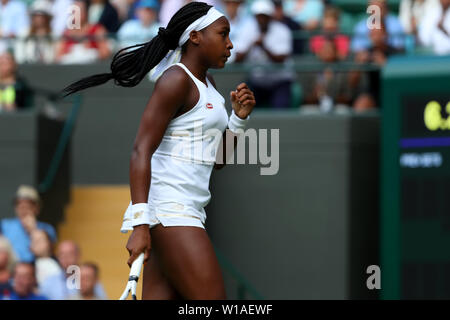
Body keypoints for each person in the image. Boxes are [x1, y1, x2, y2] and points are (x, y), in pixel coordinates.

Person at [62, 1, 255, 299]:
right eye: (223, 34)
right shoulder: (176, 79)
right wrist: (140, 223)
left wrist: (238, 119)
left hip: (183, 213)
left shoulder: (210, 85)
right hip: (171, 213)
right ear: (195, 37)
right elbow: (141, 149)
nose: (230, 44)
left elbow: (217, 161)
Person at [233, 0, 294, 109]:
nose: (261, 19)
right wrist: (251, 45)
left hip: (279, 82)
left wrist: (263, 47)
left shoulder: (282, 30)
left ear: (270, 16)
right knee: (243, 108)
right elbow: (238, 58)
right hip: (257, 83)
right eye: (259, 16)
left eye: (264, 16)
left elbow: (280, 59)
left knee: (281, 111)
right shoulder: (247, 29)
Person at [0, 185, 56, 262]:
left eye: (28, 207)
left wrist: (33, 230)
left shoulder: (47, 228)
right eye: (20, 206)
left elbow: (45, 253)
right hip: (12, 269)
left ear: (37, 208)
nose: (23, 211)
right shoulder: (5, 225)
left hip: (36, 268)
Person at [39, 240, 107, 299]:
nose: (66, 258)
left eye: (70, 254)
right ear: (57, 257)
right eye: (62, 254)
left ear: (78, 255)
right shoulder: (49, 282)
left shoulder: (89, 278)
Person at [14, 0, 57, 64]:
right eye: (36, 16)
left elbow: (55, 54)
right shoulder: (24, 33)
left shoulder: (54, 34)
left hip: (49, 68)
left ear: (47, 18)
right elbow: (19, 55)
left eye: (42, 16)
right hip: (28, 67)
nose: (39, 19)